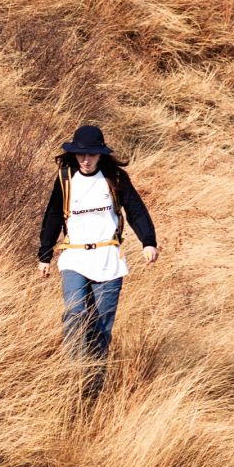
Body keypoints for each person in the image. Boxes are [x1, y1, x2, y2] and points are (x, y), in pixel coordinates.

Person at [38, 124, 158, 398]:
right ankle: (74, 372)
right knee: (76, 312)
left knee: (101, 328)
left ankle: (93, 386)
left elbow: (136, 210)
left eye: (91, 154)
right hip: (74, 257)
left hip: (108, 259)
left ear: (101, 154)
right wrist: (44, 255)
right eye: (81, 154)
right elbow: (53, 216)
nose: (86, 160)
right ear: (74, 154)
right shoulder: (65, 178)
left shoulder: (115, 178)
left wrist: (148, 241)